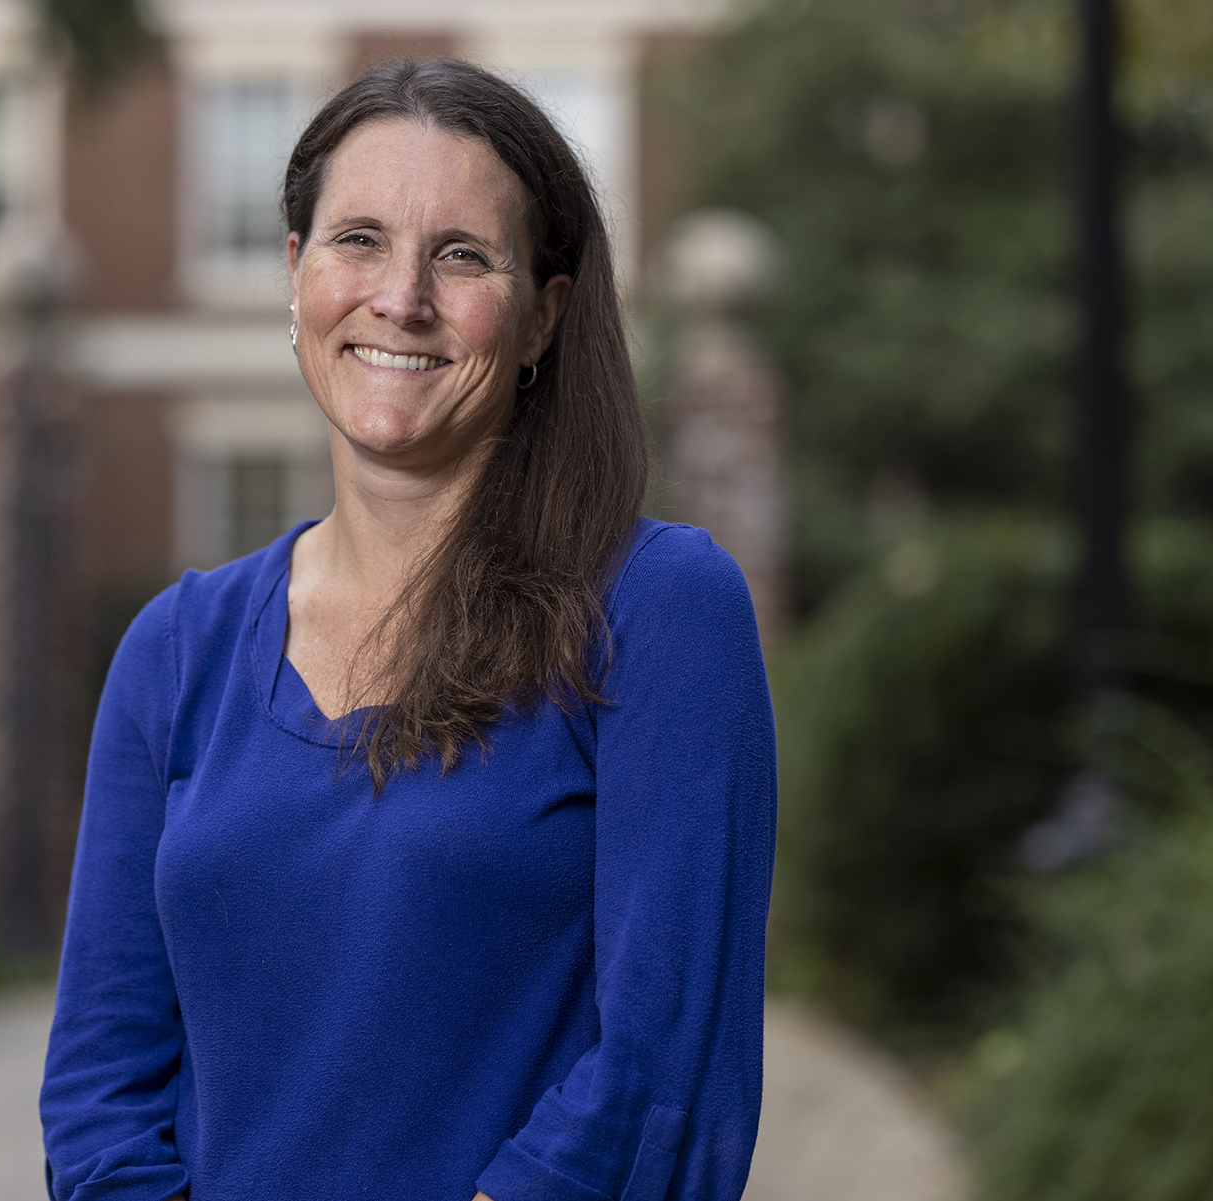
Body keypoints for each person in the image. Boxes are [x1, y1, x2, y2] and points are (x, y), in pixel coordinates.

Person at [41, 58, 775, 1201]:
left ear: (545, 311)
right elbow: (100, 1088)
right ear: (296, 273)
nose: (403, 298)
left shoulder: (657, 609)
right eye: (359, 240)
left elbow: (662, 1067)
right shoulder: (174, 651)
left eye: (463, 254)